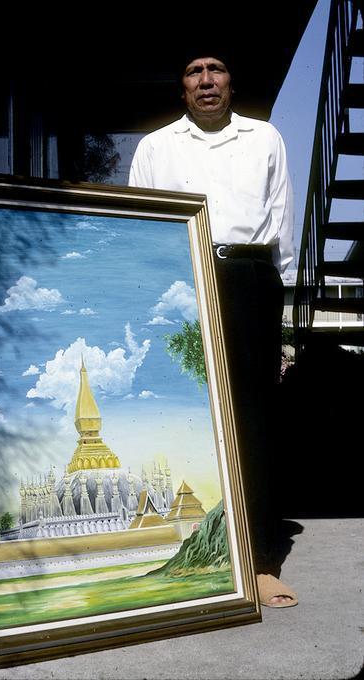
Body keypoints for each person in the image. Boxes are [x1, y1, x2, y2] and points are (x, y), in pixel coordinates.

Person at [129, 51, 297, 608]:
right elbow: (142, 223)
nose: (206, 80)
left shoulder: (264, 138)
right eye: (194, 73)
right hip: (182, 278)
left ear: (230, 82)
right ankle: (179, 552)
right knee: (188, 408)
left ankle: (261, 559)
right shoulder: (155, 147)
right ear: (182, 88)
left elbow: (281, 223)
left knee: (254, 416)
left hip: (249, 276)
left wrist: (287, 315)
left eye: (216, 70)